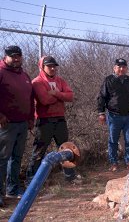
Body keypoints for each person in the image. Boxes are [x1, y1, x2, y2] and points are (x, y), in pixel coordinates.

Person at [26, 56, 80, 184]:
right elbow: (44, 100)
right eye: (49, 66)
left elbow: (71, 96)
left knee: (66, 148)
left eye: (54, 66)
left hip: (60, 119)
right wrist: (62, 96)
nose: (52, 68)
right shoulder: (37, 82)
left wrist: (56, 93)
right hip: (45, 120)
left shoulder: (60, 80)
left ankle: (70, 177)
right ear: (42, 67)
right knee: (39, 150)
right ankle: (32, 179)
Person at [0, 45, 34, 206]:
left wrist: (30, 118)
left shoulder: (24, 75)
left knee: (16, 158)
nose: (16, 59)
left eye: (19, 56)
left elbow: (29, 98)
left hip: (22, 123)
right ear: (5, 57)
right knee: (2, 158)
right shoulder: (1, 73)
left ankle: (12, 190)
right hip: (6, 124)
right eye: (13, 56)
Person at [97, 58, 129, 172]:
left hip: (128, 116)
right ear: (115, 68)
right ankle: (114, 162)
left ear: (126, 68)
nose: (121, 69)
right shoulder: (109, 80)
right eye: (119, 67)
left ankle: (128, 161)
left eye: (124, 67)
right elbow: (102, 97)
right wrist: (101, 113)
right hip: (113, 116)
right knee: (113, 140)